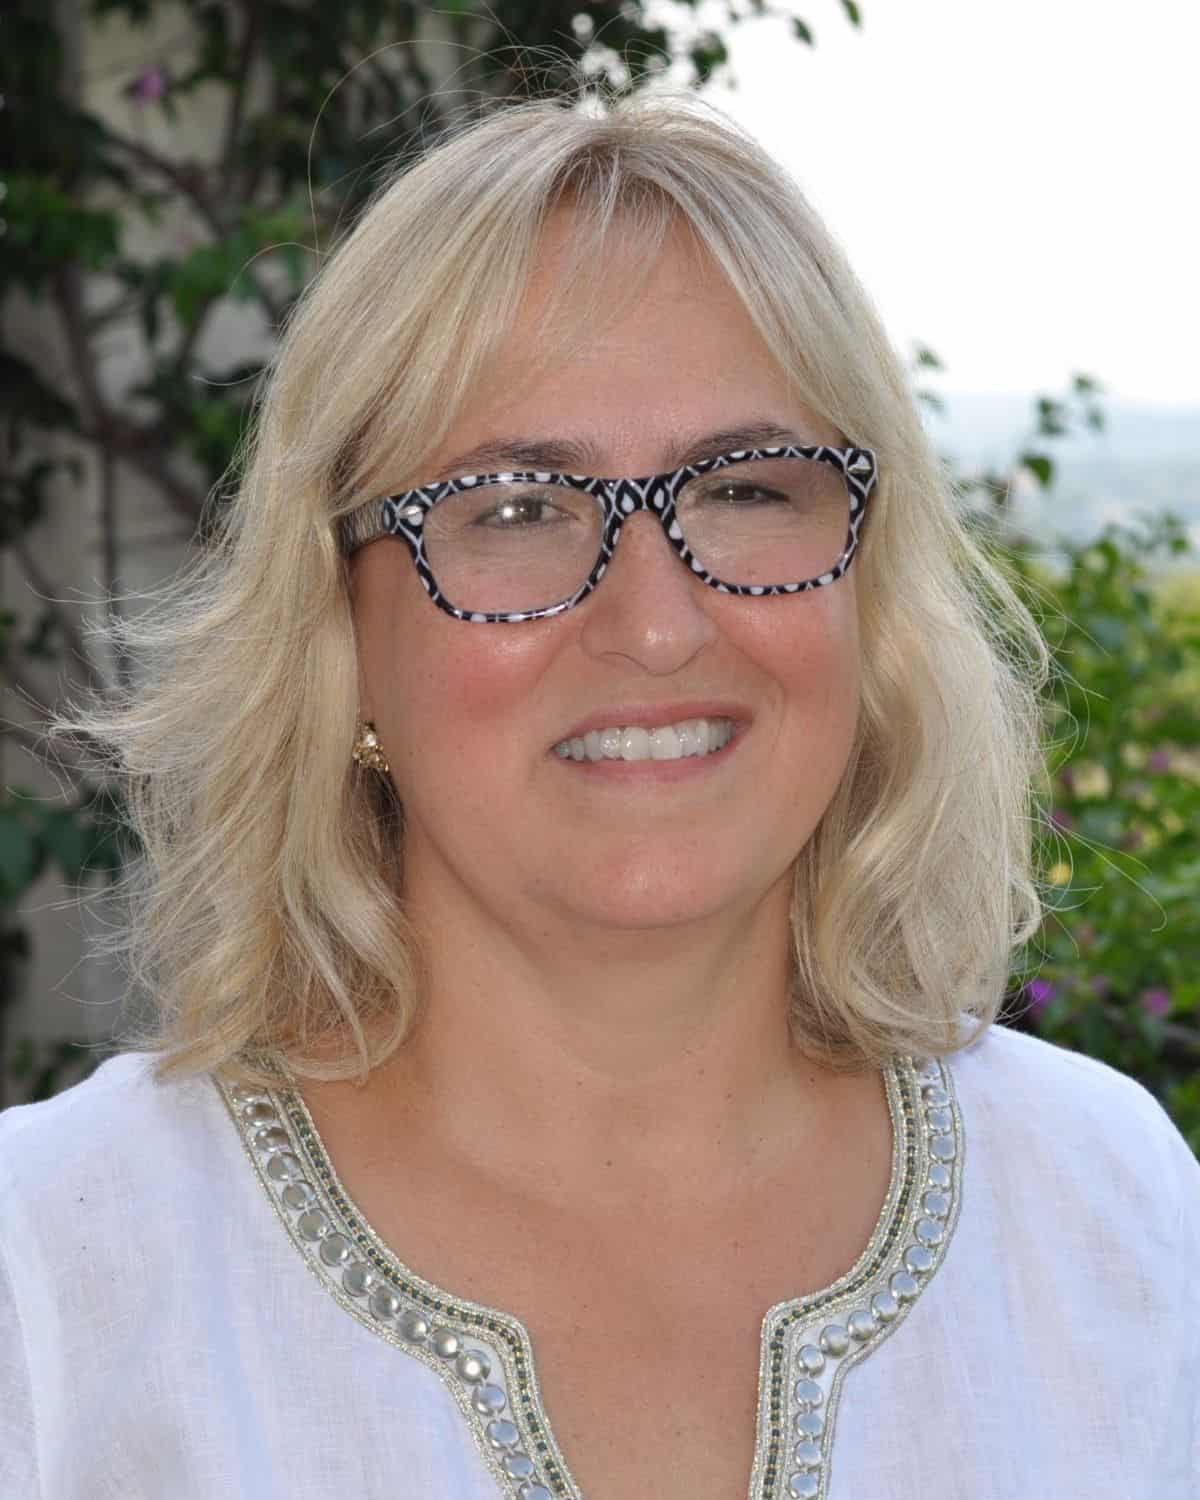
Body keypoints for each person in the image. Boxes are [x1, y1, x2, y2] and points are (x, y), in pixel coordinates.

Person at [1, 90, 1196, 1500]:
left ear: (871, 598)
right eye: (515, 507)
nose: (657, 625)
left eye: (747, 490)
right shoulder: (53, 1279)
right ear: (340, 630)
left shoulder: (1112, 1213)